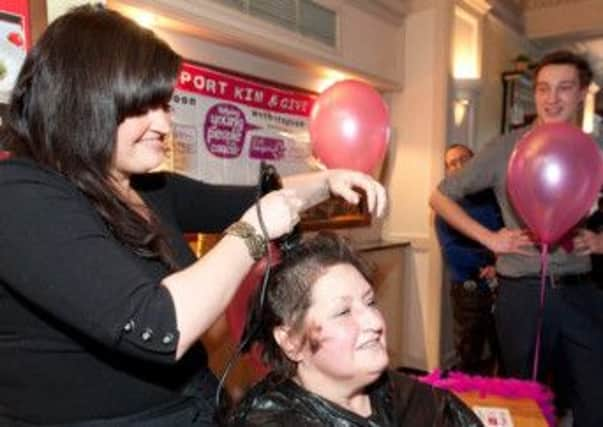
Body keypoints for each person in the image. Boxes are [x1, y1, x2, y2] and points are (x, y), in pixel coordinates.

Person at [0, 5, 387, 426]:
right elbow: (160, 327)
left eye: (165, 106)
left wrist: (327, 181)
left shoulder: (143, 188)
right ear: (86, 102)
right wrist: (252, 232)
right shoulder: (19, 195)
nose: (165, 125)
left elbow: (259, 196)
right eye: (144, 108)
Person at [430, 50, 603, 427]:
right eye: (543, 89)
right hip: (521, 291)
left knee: (595, 396)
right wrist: (490, 239)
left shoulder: (595, 150)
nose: (552, 98)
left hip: (580, 291)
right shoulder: (506, 149)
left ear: (582, 94)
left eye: (564, 88)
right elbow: (440, 196)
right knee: (524, 398)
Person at [227, 232, 484, 427]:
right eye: (343, 312)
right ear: (291, 341)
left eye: (370, 302)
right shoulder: (268, 420)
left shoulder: (409, 398)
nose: (374, 322)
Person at [435, 144, 502, 374]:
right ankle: (465, 405)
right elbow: (452, 251)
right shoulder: (445, 204)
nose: (459, 165)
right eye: (452, 163)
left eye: (464, 159)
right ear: (447, 171)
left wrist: (498, 266)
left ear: (476, 162)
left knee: (503, 350)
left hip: (503, 286)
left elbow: (508, 235)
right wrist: (487, 261)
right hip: (468, 290)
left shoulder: (494, 199)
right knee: (468, 354)